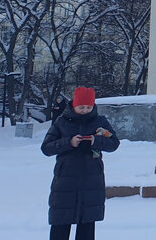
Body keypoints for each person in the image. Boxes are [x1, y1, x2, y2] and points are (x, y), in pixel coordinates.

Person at [41, 87, 120, 240]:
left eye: (88, 107)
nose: (85, 110)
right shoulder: (61, 122)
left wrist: (95, 141)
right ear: (74, 105)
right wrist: (69, 142)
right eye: (81, 107)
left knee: (87, 225)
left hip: (91, 181)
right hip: (65, 181)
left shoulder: (100, 121)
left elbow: (114, 143)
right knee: (60, 223)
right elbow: (46, 148)